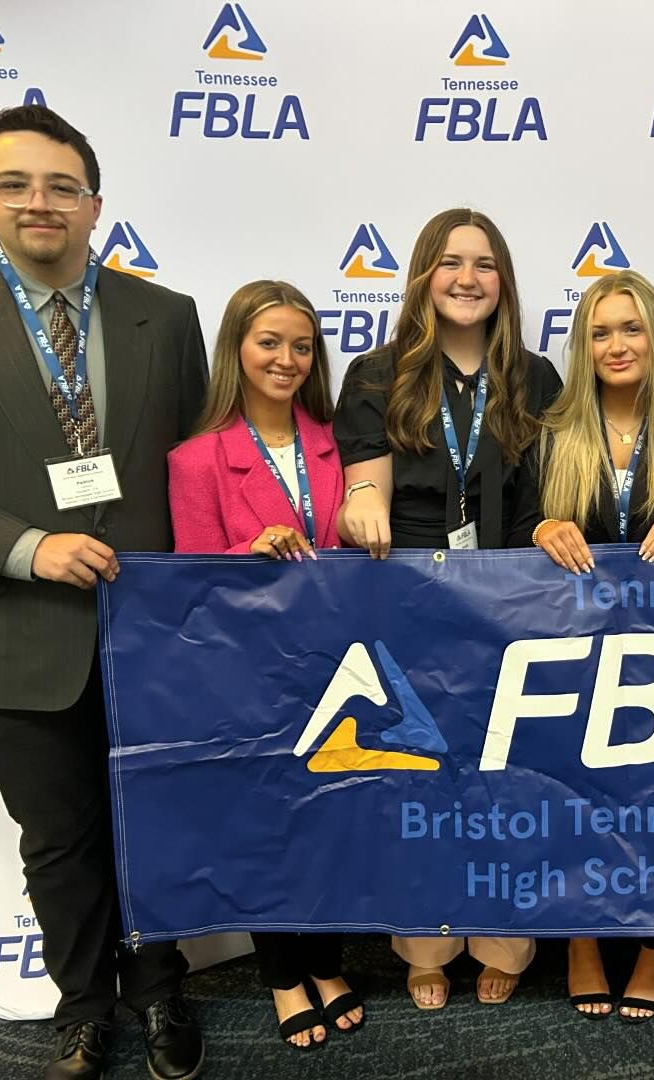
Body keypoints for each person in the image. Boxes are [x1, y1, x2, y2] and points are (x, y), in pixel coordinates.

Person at [0, 105, 207, 1080]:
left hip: (157, 633)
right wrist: (27, 547)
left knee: (161, 822)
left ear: (94, 206)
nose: (38, 202)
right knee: (59, 840)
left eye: (59, 186)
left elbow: (202, 471)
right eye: (13, 184)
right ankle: (84, 1009)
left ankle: (163, 992)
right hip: (24, 634)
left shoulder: (164, 317)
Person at [333, 207, 562, 1009]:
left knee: (506, 782)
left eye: (485, 264)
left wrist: (551, 531)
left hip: (511, 611)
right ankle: (425, 937)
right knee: (420, 782)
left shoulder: (537, 378)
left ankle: (504, 937)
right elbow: (363, 487)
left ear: (503, 282)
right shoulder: (373, 373)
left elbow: (542, 502)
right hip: (411, 608)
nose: (468, 279)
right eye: (452, 263)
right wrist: (361, 505)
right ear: (425, 274)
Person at [508, 269, 654, 1022]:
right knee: (576, 800)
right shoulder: (550, 435)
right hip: (572, 657)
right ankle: (583, 940)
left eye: (630, 329)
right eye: (600, 332)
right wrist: (539, 528)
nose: (616, 345)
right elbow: (504, 541)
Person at [167, 280, 363, 1050]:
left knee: (331, 820)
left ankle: (328, 957)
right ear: (237, 351)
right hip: (246, 672)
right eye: (269, 343)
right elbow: (189, 584)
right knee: (267, 826)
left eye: (302, 346)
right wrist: (245, 556)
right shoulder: (196, 459)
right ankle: (282, 973)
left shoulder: (333, 440)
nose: (286, 360)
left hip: (331, 662)